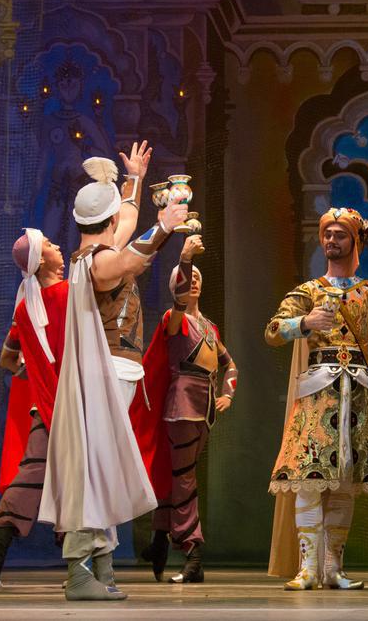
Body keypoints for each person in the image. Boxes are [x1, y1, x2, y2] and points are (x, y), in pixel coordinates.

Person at [40, 142, 188, 601]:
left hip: (111, 374)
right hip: (108, 374)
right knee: (96, 469)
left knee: (103, 469)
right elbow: (130, 258)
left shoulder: (92, 250)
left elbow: (124, 223)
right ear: (103, 222)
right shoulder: (98, 262)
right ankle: (81, 571)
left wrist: (135, 179)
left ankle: (100, 567)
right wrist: (164, 227)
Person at [264, 207, 368, 591]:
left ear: (356, 241)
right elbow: (273, 331)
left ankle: (333, 568)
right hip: (318, 398)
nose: (331, 239)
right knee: (308, 479)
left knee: (345, 484)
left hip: (358, 397)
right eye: (327, 233)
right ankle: (307, 568)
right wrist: (305, 323)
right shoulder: (308, 292)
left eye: (339, 234)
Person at [0, 229, 67, 592]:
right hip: (71, 407)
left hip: (43, 406)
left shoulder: (24, 307)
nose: (58, 247)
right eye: (50, 245)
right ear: (41, 260)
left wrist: (33, 369)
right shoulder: (69, 295)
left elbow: (8, 359)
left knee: (30, 478)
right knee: (78, 482)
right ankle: (85, 566)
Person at [136, 235, 239, 584]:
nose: (193, 279)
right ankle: (192, 548)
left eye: (197, 276)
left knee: (177, 473)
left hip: (204, 406)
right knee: (184, 477)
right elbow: (180, 300)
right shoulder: (174, 318)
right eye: (187, 276)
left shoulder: (209, 327)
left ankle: (159, 539)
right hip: (181, 404)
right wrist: (185, 257)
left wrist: (228, 394)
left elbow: (231, 365)